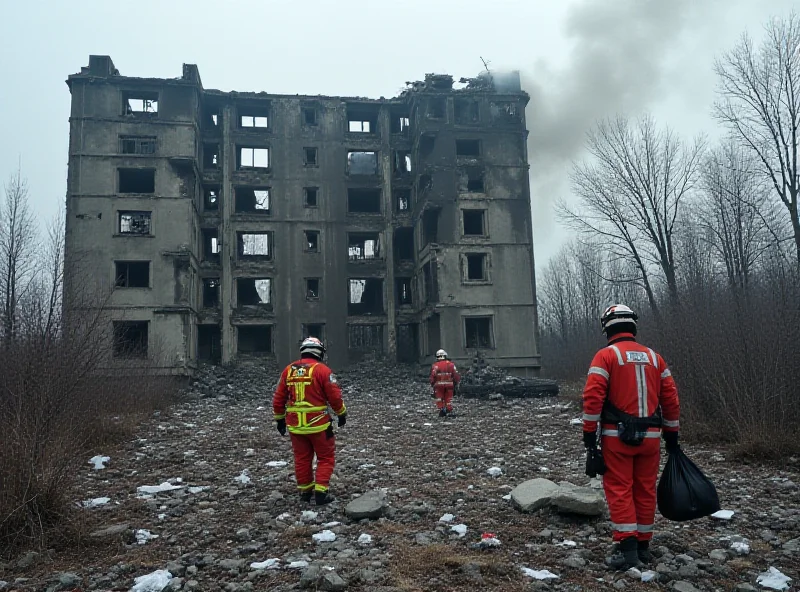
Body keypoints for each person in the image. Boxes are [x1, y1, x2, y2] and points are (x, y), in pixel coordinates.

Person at [582, 304, 680, 569]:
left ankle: (627, 550)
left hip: (617, 437)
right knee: (645, 490)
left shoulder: (605, 357)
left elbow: (592, 399)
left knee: (619, 489)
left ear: (607, 327)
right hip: (651, 437)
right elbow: (670, 400)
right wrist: (672, 435)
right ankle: (643, 546)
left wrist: (589, 436)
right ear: (633, 326)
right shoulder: (655, 358)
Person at [273, 337, 347, 505]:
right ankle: (321, 492)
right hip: (319, 425)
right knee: (326, 457)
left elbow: (278, 399)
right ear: (320, 352)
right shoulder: (323, 371)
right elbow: (334, 397)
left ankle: (305, 492)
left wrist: (279, 419)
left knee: (302, 458)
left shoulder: (288, 370)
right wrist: (342, 413)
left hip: (296, 426)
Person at [430, 349, 460, 417]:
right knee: (448, 398)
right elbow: (456, 375)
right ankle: (449, 409)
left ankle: (442, 409)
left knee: (439, 398)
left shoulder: (435, 365)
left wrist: (432, 384)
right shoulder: (451, 364)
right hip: (449, 385)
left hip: (439, 385)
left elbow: (432, 376)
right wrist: (456, 382)